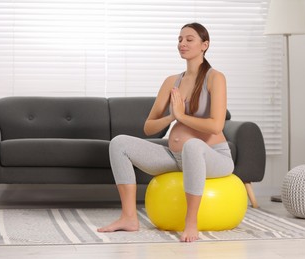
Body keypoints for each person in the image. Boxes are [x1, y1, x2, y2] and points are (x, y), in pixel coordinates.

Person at [97, 22, 234, 242]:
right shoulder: (172, 81)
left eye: (189, 39)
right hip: (175, 157)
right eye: (180, 39)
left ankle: (191, 223)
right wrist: (172, 116)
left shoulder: (215, 78)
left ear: (204, 45)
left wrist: (182, 116)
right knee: (119, 143)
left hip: (213, 156)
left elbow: (216, 126)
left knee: (192, 146)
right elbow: (149, 127)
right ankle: (129, 217)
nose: (182, 44)